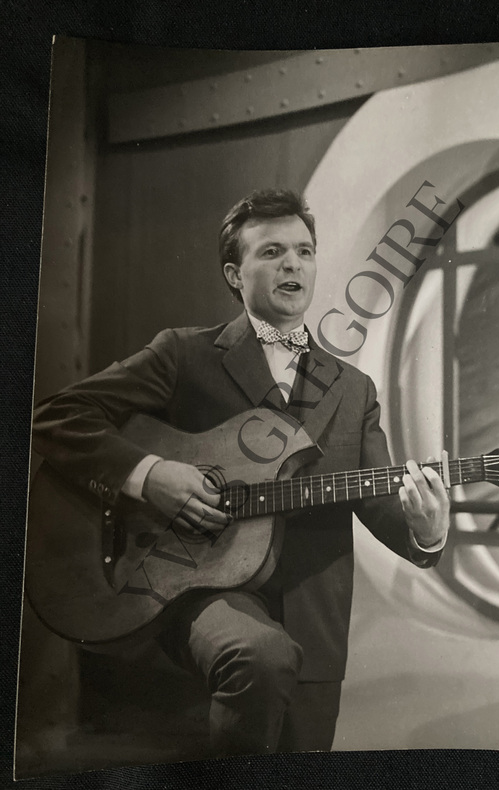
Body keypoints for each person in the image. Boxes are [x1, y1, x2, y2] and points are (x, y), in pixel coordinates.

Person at [32, 189, 450, 757]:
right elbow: (56, 416)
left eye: (304, 251)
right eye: (272, 252)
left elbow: (378, 501)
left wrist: (427, 530)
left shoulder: (354, 389)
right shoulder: (184, 355)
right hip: (201, 595)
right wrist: (151, 475)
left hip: (314, 622)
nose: (292, 264)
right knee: (259, 656)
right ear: (235, 274)